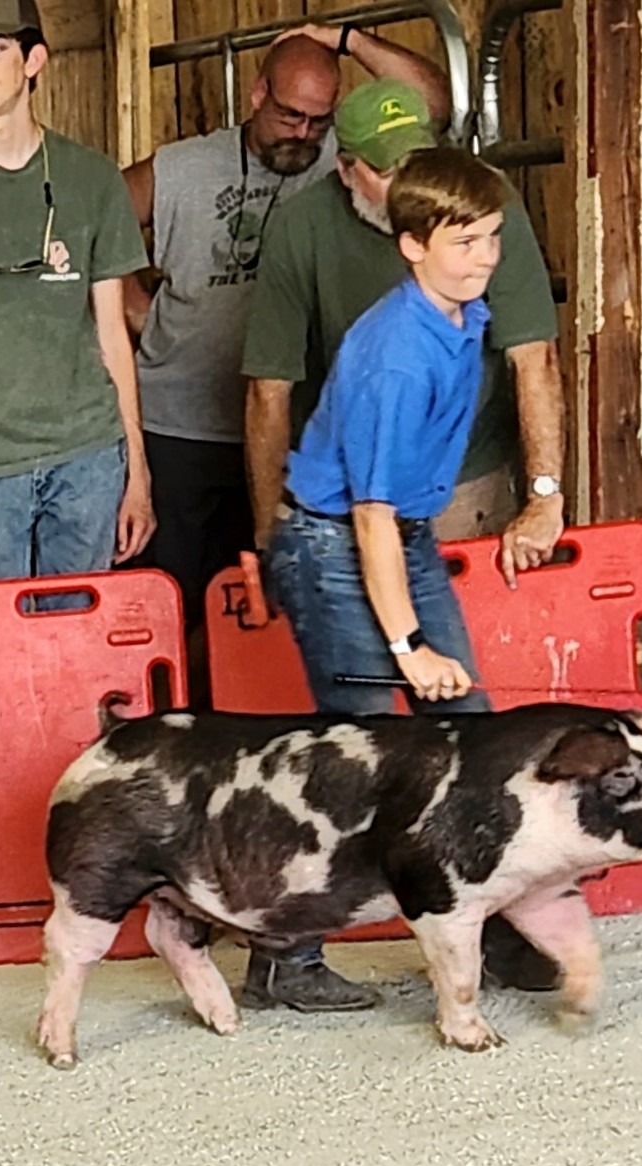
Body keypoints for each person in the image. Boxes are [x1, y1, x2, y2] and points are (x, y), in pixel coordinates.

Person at [242, 126, 563, 1014]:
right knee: (356, 756)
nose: (486, 258)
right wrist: (408, 642)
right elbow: (369, 516)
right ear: (411, 243)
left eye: (493, 237)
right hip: (336, 542)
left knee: (469, 730)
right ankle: (286, 954)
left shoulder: (465, 314)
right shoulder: (394, 354)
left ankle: (482, 913)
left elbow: (396, 521)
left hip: (401, 536)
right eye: (464, 243)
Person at [123, 25, 449, 630]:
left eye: (319, 121)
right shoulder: (184, 166)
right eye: (289, 115)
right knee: (178, 606)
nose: (302, 133)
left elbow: (431, 103)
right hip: (182, 425)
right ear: (257, 94)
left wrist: (344, 38)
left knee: (276, 604)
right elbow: (97, 223)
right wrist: (131, 301)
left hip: (290, 428)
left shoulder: (340, 168)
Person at [243, 78, 567, 599]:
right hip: (346, 486)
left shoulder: (484, 201)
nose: (408, 185)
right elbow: (268, 389)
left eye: (418, 162)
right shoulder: (301, 226)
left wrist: (544, 494)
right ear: (346, 169)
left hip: (465, 476)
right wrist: (269, 536)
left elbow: (534, 357)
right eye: (389, 171)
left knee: (472, 642)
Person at [0, 0, 155, 608]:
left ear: (34, 60)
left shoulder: (93, 179)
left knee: (75, 657)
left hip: (88, 458)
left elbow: (112, 338)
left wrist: (138, 474)